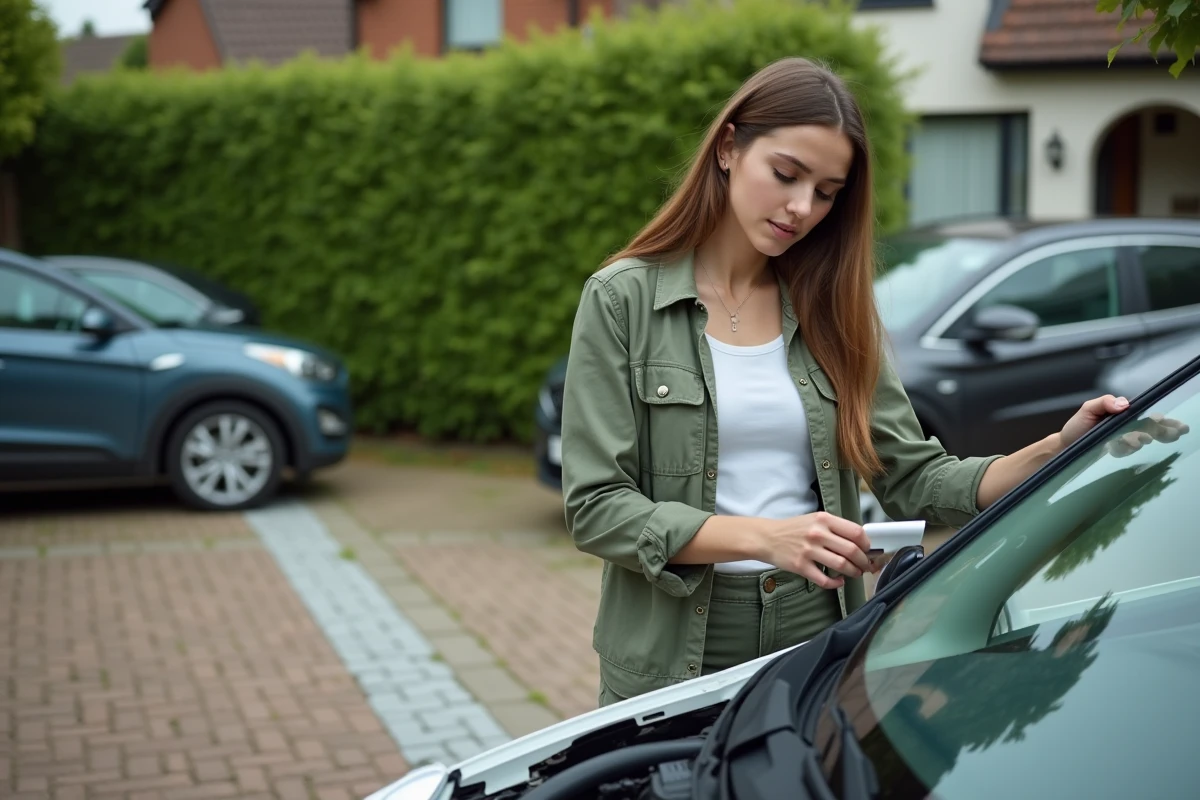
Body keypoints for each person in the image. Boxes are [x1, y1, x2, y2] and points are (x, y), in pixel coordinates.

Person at [559, 57, 1135, 706]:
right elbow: (596, 506)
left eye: (827, 192)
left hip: (814, 638)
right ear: (728, 148)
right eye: (786, 174)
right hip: (670, 650)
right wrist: (765, 537)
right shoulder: (622, 300)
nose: (802, 207)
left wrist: (1056, 450)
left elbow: (912, 478)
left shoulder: (836, 310)